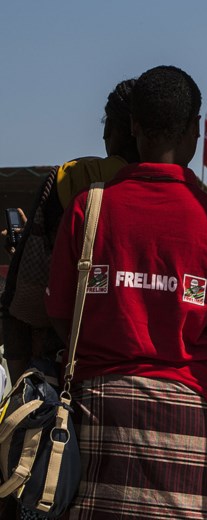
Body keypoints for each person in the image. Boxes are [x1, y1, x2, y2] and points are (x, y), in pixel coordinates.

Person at [45, 65, 207, 519]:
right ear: (194, 131)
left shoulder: (88, 209)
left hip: (98, 411)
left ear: (133, 127)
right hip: (196, 414)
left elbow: (60, 312)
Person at [1, 79, 139, 386]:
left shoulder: (72, 179)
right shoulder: (187, 196)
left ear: (112, 129)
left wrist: (20, 381)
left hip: (67, 366)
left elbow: (24, 296)